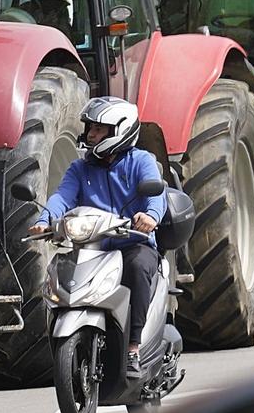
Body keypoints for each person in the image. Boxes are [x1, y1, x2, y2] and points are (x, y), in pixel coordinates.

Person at [31, 97, 167, 371]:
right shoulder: (80, 168)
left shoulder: (141, 161)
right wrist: (45, 220)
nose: (91, 134)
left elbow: (157, 195)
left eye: (99, 129)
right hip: (94, 247)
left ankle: (133, 347)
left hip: (133, 244)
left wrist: (151, 217)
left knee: (138, 266)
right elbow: (63, 197)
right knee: (63, 271)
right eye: (90, 128)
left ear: (120, 131)